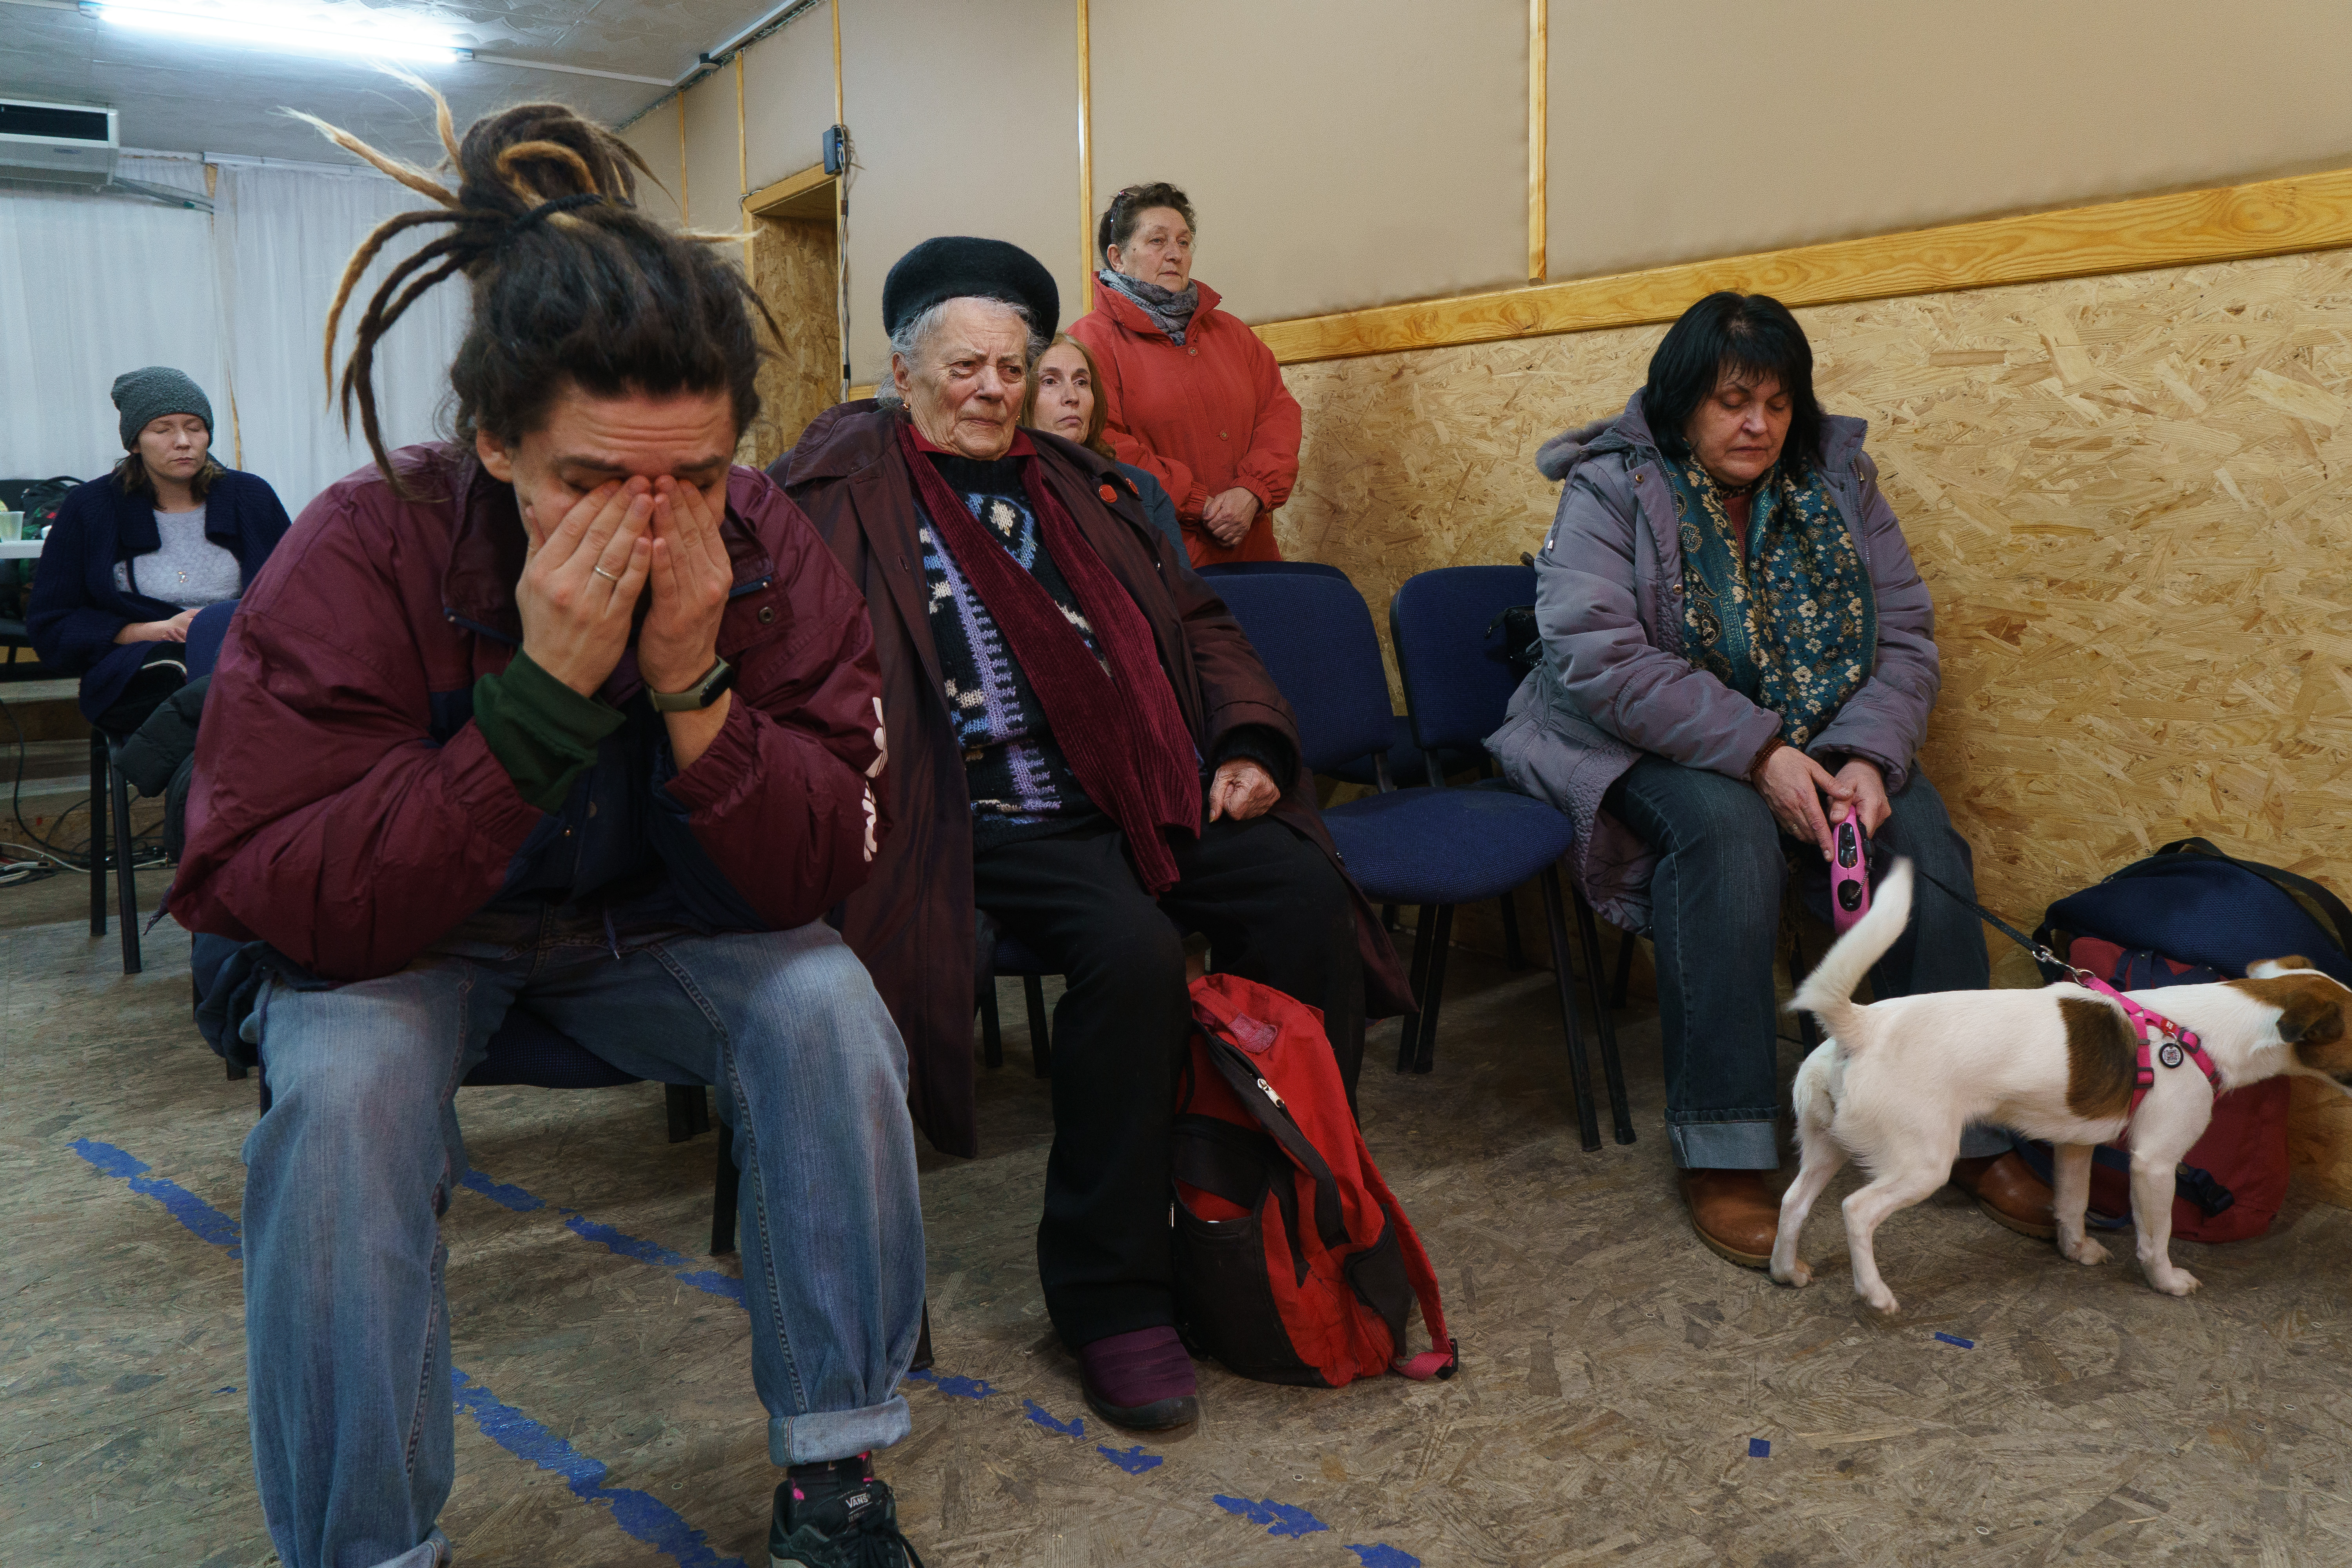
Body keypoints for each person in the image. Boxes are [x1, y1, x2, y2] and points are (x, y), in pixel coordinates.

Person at [170, 91, 926, 1568]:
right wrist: (535, 710)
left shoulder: (768, 552)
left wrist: (696, 690)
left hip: (642, 936)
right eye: (590, 481)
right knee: (342, 1090)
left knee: (829, 1005)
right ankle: (370, 1544)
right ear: (497, 447)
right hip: (409, 939)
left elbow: (822, 860)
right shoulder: (363, 542)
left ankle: (833, 1475)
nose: (650, 525)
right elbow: (270, 884)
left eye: (695, 479)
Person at [774, 236, 1410, 1434]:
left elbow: (1202, 625)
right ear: (901, 372)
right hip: (978, 814)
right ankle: (1110, 1292)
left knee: (1298, 891)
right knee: (1130, 954)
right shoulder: (836, 500)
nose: (992, 390)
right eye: (964, 365)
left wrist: (1249, 745)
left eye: (1013, 367)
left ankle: (1272, 1212)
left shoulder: (1083, 486)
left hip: (1139, 783)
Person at [1491, 292, 2053, 1271]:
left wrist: (1868, 757)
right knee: (1727, 836)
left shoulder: (1841, 482)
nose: (1758, 424)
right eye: (1732, 401)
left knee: (1921, 842)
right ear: (1681, 405)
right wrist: (1759, 753)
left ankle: (1968, 1131)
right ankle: (1727, 1146)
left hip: (1821, 736)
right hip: (1629, 736)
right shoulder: (1613, 484)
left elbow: (1906, 640)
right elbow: (1599, 658)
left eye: (1778, 403)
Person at [28, 368, 291, 731]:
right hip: (142, 671)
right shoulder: (92, 507)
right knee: (193, 682)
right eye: (163, 430)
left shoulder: (251, 498)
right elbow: (53, 625)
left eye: (195, 428)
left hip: (244, 659)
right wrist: (156, 630)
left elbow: (299, 597)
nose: (183, 441)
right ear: (135, 443)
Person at [1069, 182, 1301, 567]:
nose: (1175, 254)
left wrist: (1253, 491)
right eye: (1157, 241)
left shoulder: (1230, 331)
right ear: (1117, 257)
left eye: (1184, 241)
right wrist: (1197, 503)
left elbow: (1278, 414)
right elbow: (1101, 441)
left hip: (1253, 552)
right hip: (1163, 565)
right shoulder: (1089, 341)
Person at [1024, 333, 1182, 554]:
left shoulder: (1144, 486)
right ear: (1020, 396)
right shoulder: (1008, 486)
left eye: (1082, 383)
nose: (1072, 397)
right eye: (1050, 381)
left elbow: (1182, 585)